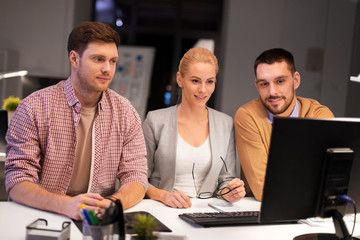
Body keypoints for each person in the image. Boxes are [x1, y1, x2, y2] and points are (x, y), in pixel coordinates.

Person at [5, 21, 148, 220]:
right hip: (42, 214)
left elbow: (136, 176)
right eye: (98, 59)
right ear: (74, 58)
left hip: (96, 216)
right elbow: (17, 180)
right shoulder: (34, 107)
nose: (107, 69)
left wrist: (113, 204)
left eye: (113, 61)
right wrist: (65, 205)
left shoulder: (126, 113)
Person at [143, 47, 246, 208]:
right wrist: (164, 196)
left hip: (207, 213)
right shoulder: (155, 121)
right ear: (180, 79)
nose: (203, 90)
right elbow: (137, 179)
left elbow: (225, 181)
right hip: (163, 210)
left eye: (209, 81)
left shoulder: (225, 124)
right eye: (195, 80)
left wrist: (232, 192)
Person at [234, 48, 334, 201]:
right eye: (264, 84)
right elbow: (264, 189)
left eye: (280, 81)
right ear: (257, 85)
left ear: (296, 80)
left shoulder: (319, 115)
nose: (272, 92)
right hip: (262, 211)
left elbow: (330, 181)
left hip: (313, 213)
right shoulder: (248, 116)